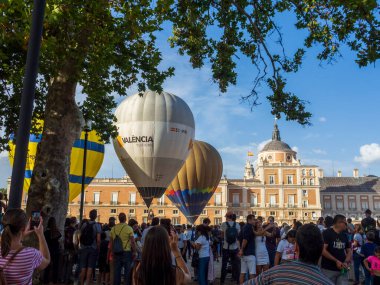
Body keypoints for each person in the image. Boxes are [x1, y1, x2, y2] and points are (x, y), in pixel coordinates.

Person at [245, 224, 333, 285]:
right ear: (322, 250)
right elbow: (278, 254)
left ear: (296, 248)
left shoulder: (274, 273)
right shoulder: (326, 282)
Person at [0, 208, 50, 284]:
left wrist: (22, 234)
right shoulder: (31, 254)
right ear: (23, 228)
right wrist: (40, 235)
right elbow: (46, 260)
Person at [321, 214, 352, 285]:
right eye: (345, 222)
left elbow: (349, 250)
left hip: (342, 269)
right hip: (328, 269)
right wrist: (336, 261)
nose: (346, 224)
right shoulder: (327, 233)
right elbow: (323, 250)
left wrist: (346, 261)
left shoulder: (344, 235)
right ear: (339, 223)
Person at [109, 212, 137, 285]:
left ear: (119, 219)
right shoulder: (129, 228)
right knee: (127, 272)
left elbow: (111, 243)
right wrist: (134, 251)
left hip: (116, 252)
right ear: (125, 219)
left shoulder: (113, 228)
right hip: (126, 252)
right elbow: (133, 242)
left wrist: (112, 252)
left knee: (117, 271)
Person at [79, 209, 102, 285]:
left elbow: (80, 236)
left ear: (89, 216)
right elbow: (98, 240)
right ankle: (87, 283)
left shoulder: (84, 224)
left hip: (83, 248)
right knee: (90, 268)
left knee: (83, 268)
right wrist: (98, 249)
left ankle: (81, 283)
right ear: (95, 216)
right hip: (93, 248)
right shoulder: (97, 225)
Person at [220, 211, 241, 284]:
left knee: (224, 265)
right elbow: (238, 236)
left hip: (226, 247)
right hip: (235, 248)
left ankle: (222, 281)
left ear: (227, 217)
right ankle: (238, 281)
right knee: (236, 265)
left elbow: (222, 236)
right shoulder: (237, 225)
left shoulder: (223, 224)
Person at [43, 216, 62, 285]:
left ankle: (46, 281)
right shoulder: (57, 232)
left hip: (48, 251)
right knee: (55, 267)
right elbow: (59, 238)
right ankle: (54, 281)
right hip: (56, 251)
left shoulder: (46, 233)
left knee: (47, 267)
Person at [238, 214, 256, 284]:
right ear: (250, 220)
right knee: (252, 273)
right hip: (250, 254)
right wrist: (241, 249)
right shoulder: (249, 227)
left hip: (244, 255)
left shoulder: (244, 227)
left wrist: (241, 250)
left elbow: (238, 239)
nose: (254, 221)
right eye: (254, 219)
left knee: (243, 273)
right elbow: (245, 240)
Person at [61, 217, 77, 284]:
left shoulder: (65, 229)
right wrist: (76, 249)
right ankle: (67, 280)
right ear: (74, 222)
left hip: (65, 248)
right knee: (70, 265)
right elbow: (75, 242)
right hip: (71, 249)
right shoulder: (75, 230)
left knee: (65, 264)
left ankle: (62, 279)